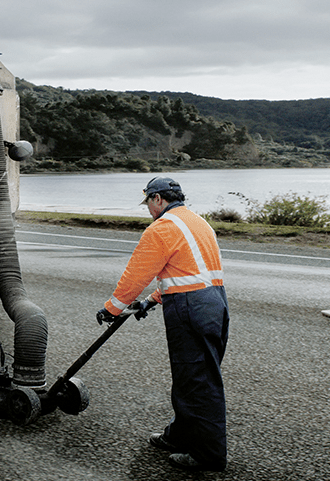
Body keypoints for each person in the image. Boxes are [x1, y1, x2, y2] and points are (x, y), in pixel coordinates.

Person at [99, 176, 229, 472]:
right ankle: (180, 436)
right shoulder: (197, 222)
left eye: (148, 203)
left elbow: (136, 275)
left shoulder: (163, 227)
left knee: (198, 382)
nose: (148, 209)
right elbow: (191, 271)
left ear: (158, 199)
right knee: (193, 376)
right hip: (214, 302)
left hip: (189, 307)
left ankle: (209, 456)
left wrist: (112, 309)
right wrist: (152, 300)